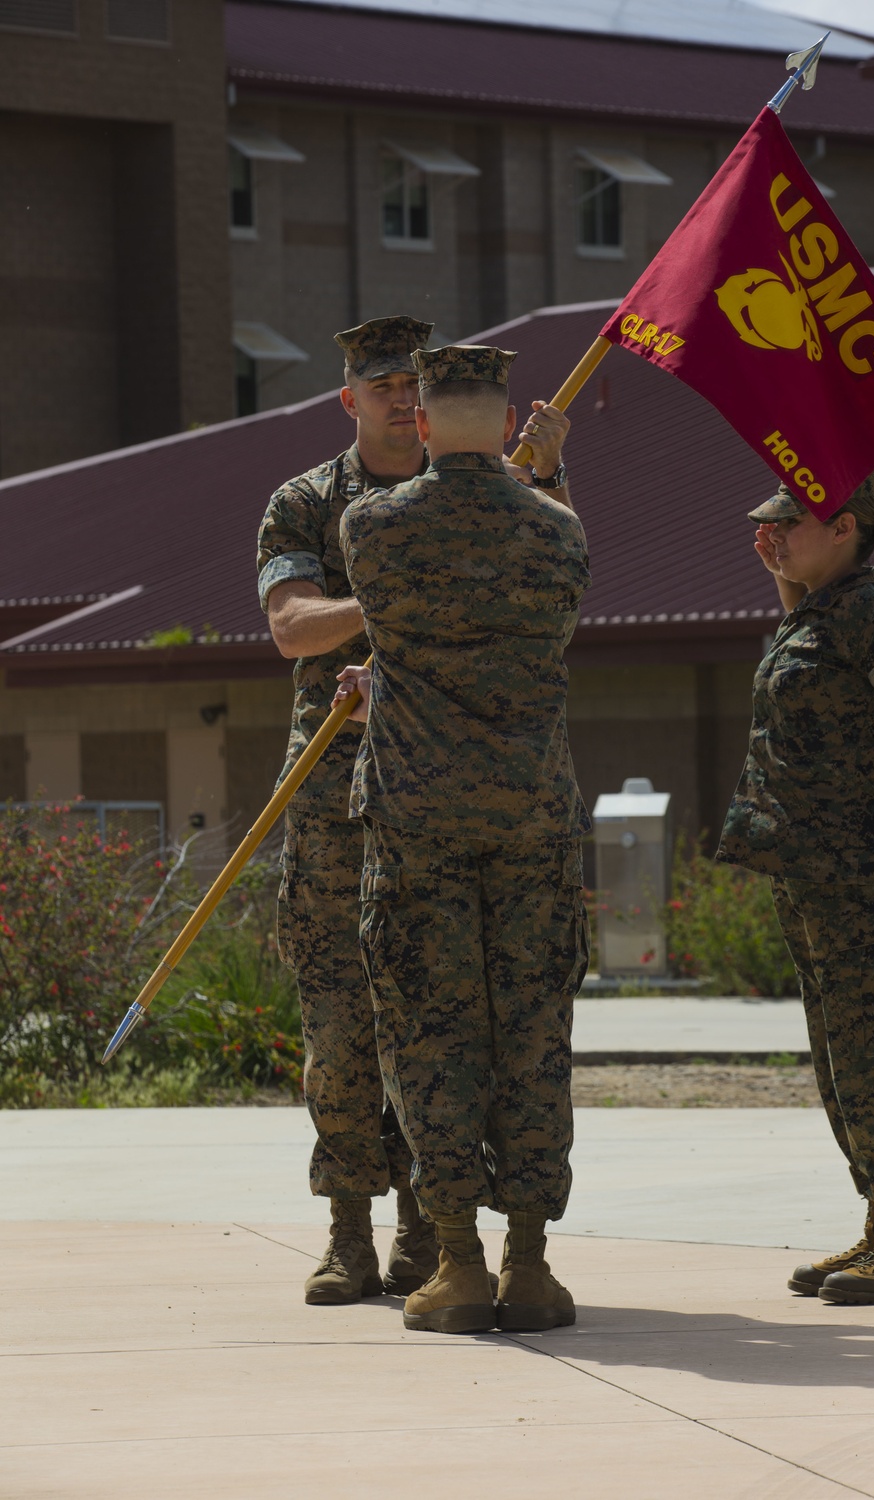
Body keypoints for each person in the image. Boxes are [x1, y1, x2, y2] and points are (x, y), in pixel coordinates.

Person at [257, 317, 573, 1306]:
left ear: (436, 407)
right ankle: (350, 1228)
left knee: (453, 1013)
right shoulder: (311, 503)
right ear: (350, 400)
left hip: (450, 793)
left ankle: (428, 1235)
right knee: (346, 1022)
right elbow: (289, 626)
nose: (401, 399)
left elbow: (557, 590)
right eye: (382, 385)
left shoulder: (503, 490)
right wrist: (398, 601)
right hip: (338, 793)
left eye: (413, 385)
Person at [336, 344, 591, 1336]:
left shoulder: (370, 526)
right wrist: (547, 474)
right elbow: (555, 554)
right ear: (512, 422)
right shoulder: (560, 534)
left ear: (426, 424)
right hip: (530, 817)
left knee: (432, 1037)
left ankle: (457, 1264)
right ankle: (530, 1265)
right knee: (534, 1037)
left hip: (418, 823)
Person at [717, 474, 874, 1306]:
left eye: (788, 524)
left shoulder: (872, 615)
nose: (773, 534)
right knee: (838, 1055)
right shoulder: (818, 613)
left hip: (863, 872)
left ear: (844, 526)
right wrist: (784, 572)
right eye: (769, 525)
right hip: (809, 868)